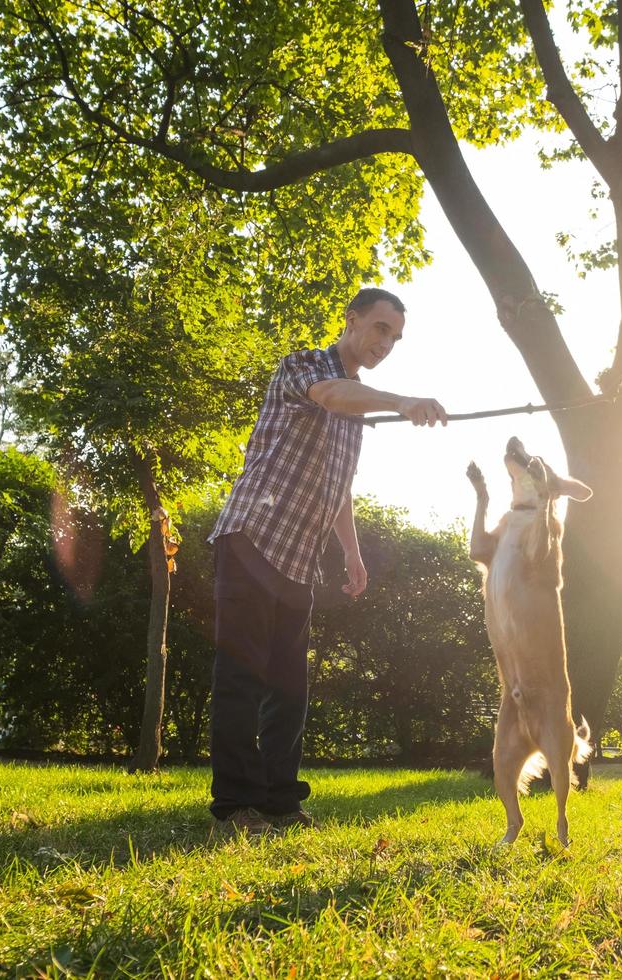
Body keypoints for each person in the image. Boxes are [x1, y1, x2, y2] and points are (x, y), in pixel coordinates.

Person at [206, 287, 447, 837]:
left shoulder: (358, 406)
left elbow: (339, 487)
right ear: (352, 320)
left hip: (299, 558)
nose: (386, 343)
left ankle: (280, 803)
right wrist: (404, 401)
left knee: (290, 687)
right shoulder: (305, 367)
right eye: (381, 329)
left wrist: (353, 553)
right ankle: (236, 808)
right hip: (251, 536)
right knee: (242, 678)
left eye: (396, 337)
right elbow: (333, 396)